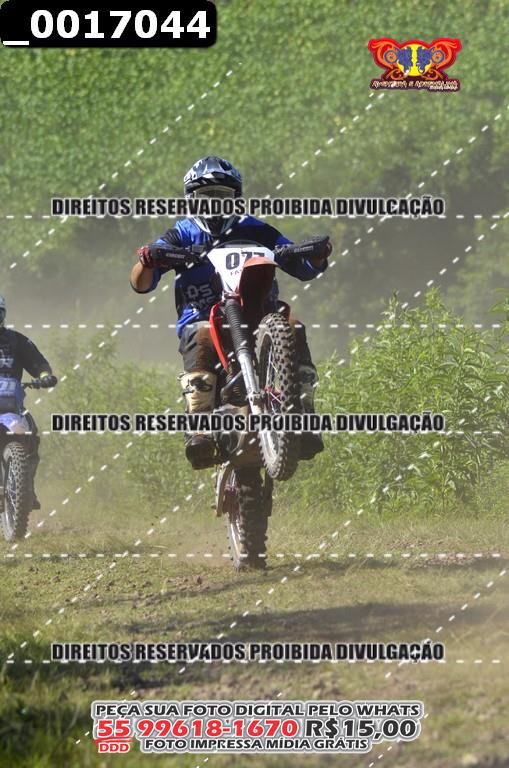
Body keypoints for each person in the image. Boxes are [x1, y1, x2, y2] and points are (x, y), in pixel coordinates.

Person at [130, 156, 331, 469]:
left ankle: (303, 413)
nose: (213, 204)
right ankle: (199, 425)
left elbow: (302, 267)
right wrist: (148, 260)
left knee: (293, 326)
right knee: (201, 334)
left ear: (235, 199)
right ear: (191, 200)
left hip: (259, 314)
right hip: (203, 315)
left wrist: (315, 255)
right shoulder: (181, 234)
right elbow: (140, 283)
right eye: (205, 197)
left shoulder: (256, 229)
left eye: (221, 197)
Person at [0, 295, 57, 508]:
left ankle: (27, 489)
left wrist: (45, 376)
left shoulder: (17, 341)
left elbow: (39, 363)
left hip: (11, 404)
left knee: (31, 434)